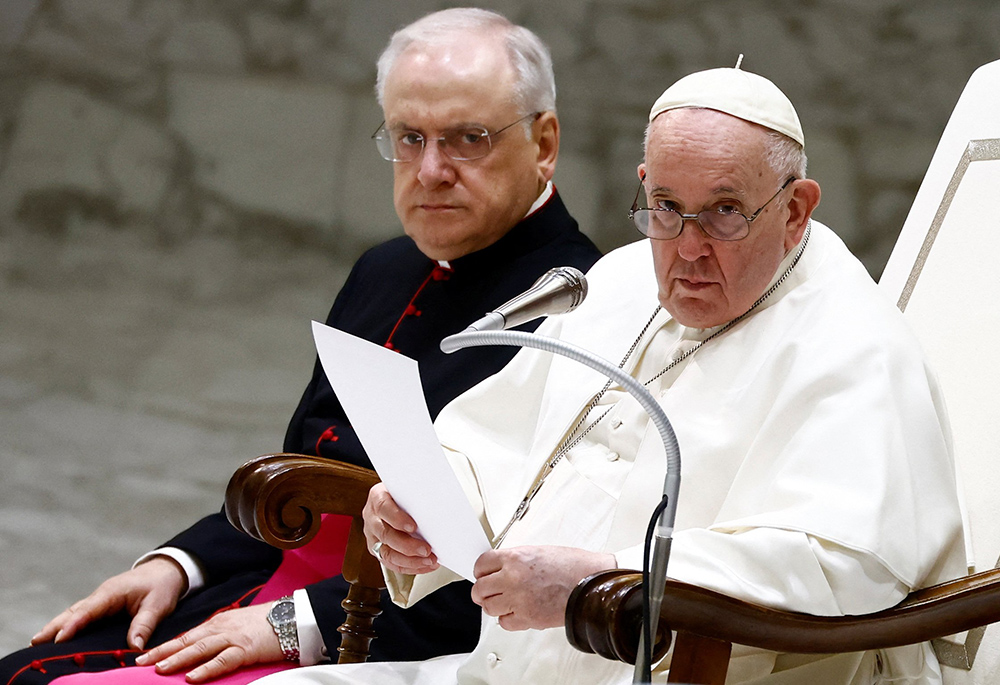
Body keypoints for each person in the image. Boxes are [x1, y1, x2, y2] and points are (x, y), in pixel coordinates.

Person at [253, 66, 967, 685]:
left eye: (723, 212)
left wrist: (607, 579)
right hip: (501, 665)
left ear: (796, 210)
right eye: (664, 208)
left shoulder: (854, 345)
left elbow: (841, 564)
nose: (687, 249)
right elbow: (489, 444)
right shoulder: (619, 281)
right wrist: (416, 518)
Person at [0, 8, 601, 685]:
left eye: (467, 139)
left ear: (544, 143)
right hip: (264, 582)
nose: (431, 170)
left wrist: (291, 625)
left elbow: (510, 581)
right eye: (409, 138)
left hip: (379, 633)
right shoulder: (386, 269)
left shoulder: (583, 310)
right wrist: (177, 563)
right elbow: (302, 485)